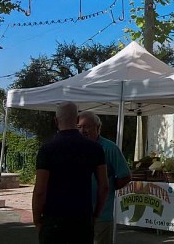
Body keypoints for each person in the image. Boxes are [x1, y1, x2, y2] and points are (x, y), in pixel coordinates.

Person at [33, 102, 108, 244]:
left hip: (54, 217)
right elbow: (104, 186)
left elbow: (40, 190)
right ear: (77, 119)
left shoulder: (47, 149)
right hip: (82, 217)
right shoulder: (95, 148)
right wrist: (96, 214)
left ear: (56, 121)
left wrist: (37, 219)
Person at [77, 111, 131, 244]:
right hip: (77, 213)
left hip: (101, 215)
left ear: (97, 127)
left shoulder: (109, 148)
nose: (83, 130)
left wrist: (109, 186)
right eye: (79, 127)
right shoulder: (75, 147)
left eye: (87, 126)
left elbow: (125, 176)